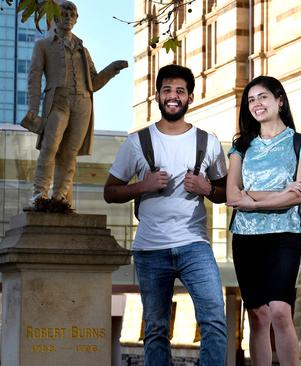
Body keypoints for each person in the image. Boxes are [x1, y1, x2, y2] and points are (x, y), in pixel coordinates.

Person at [104, 64, 227, 366]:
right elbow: (110, 191)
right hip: (150, 249)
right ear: (157, 95)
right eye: (168, 90)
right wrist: (143, 185)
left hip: (194, 245)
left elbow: (226, 193)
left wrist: (206, 187)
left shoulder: (207, 141)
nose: (173, 96)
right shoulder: (137, 142)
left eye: (180, 91)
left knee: (214, 320)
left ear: (190, 98)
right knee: (156, 329)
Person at [226, 75, 301, 366]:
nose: (256, 104)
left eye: (262, 97)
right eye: (251, 100)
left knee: (279, 310)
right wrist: (281, 192)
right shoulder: (241, 146)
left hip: (284, 236)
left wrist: (252, 200)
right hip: (245, 237)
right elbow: (232, 197)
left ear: (279, 100)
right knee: (258, 315)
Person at [23, 0, 128, 210]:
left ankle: (60, 197)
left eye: (72, 14)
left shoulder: (83, 50)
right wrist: (33, 108)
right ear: (55, 16)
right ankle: (39, 195)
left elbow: (94, 83)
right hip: (57, 101)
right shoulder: (43, 45)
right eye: (64, 12)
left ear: (77, 19)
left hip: (83, 103)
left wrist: (112, 69)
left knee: (69, 152)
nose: (68, 17)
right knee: (49, 147)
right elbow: (34, 77)